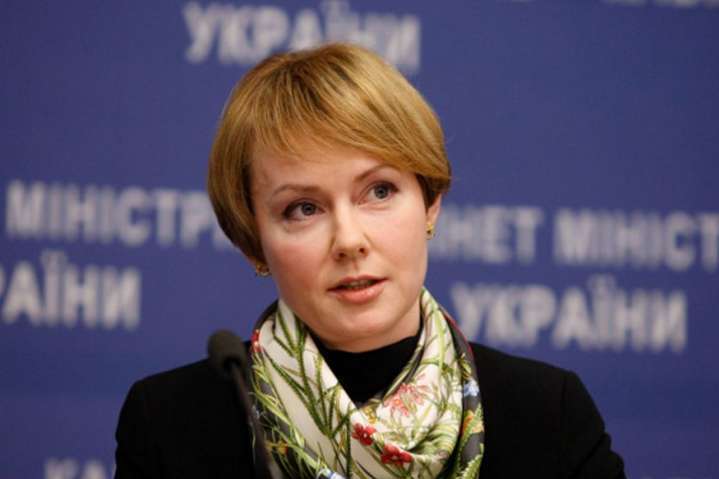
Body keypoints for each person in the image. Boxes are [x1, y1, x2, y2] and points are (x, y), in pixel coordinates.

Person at [114, 43, 625, 478]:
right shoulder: (169, 424)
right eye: (303, 208)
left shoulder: (548, 414)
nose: (349, 239)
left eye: (379, 191)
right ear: (253, 242)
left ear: (430, 202)